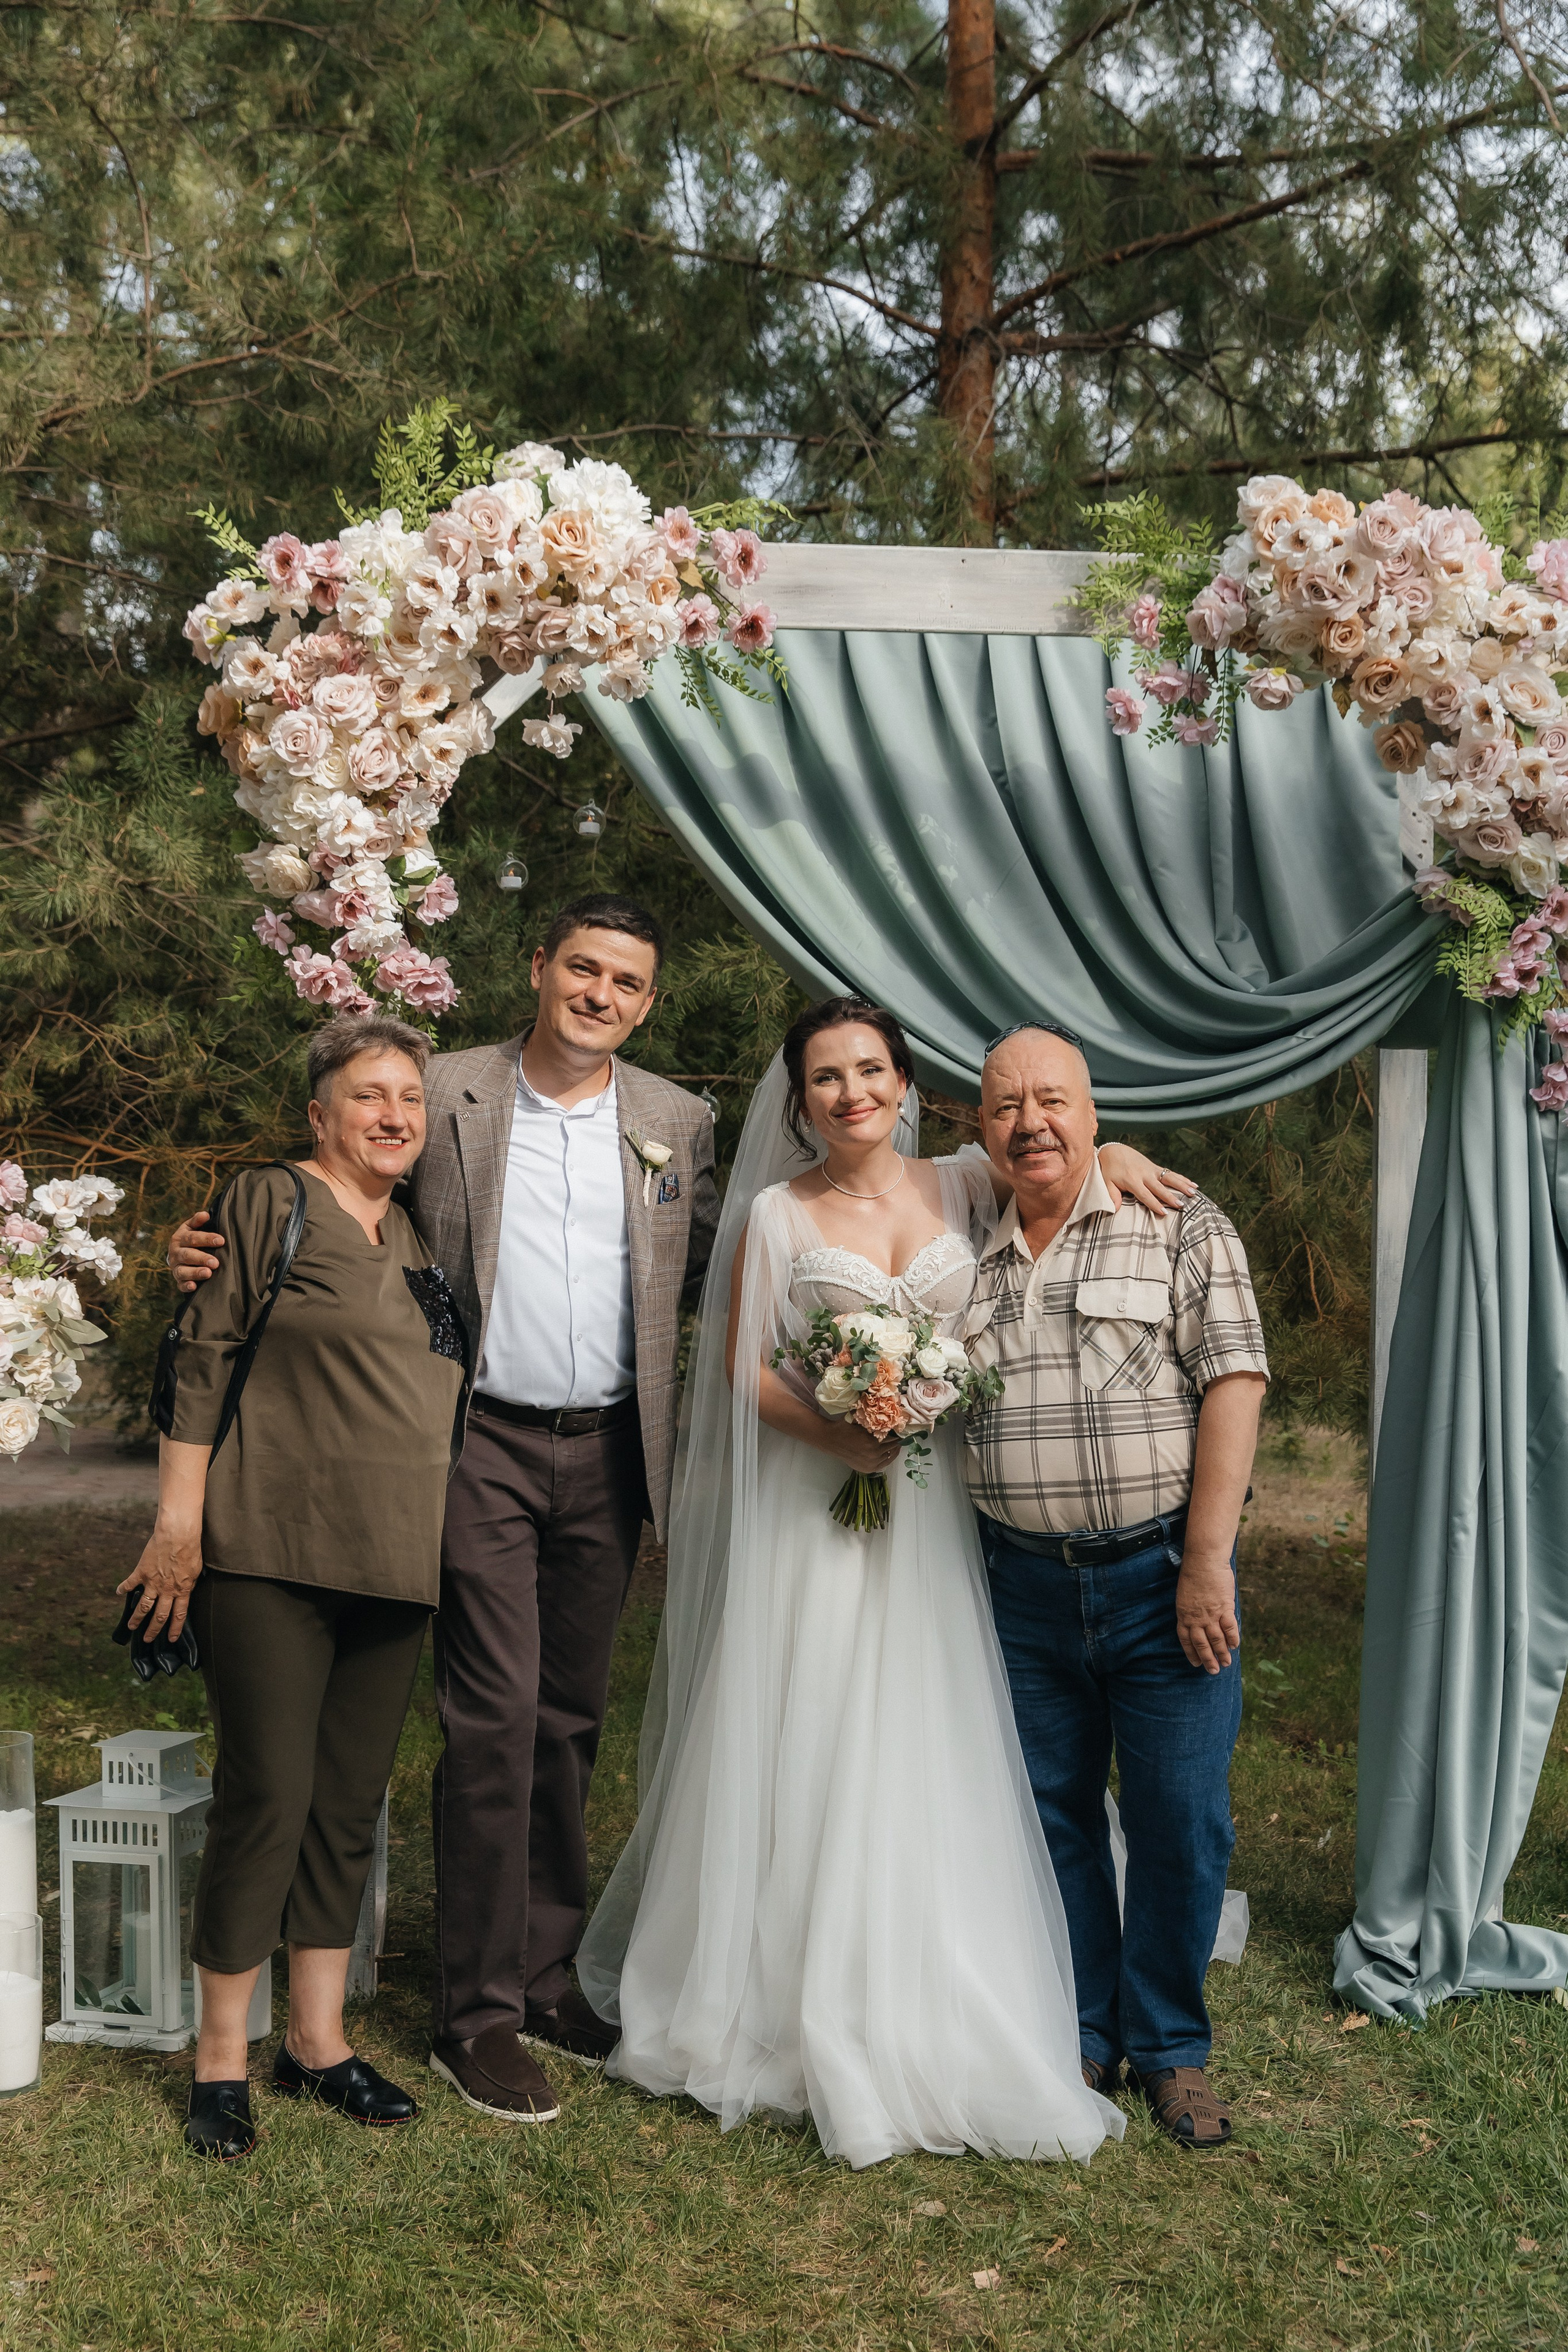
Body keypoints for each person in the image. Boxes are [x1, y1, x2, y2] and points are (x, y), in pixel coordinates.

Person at [575, 998, 1188, 2168]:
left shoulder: (963, 1181)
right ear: (798, 1102)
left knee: (937, 1733)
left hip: (944, 1520)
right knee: (814, 1725)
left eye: (870, 1069)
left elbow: (1053, 1155)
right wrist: (842, 1427)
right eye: (824, 1076)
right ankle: (783, 1987)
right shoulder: (775, 1212)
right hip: (825, 1509)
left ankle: (945, 1968)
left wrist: (1114, 1148)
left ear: (907, 1084)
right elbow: (746, 1376)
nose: (851, 1092)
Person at [168, 894, 720, 2125]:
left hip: (613, 1455)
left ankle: (543, 1977)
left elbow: (733, 1264)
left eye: (626, 982)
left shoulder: (675, 1122)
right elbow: (324, 1198)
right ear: (537, 970)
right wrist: (201, 1247)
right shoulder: (444, 1092)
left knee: (568, 1721)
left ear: (648, 1002)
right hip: (478, 1446)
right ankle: (474, 2014)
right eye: (581, 968)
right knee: (492, 1721)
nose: (599, 995)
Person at [126, 1014, 466, 2160]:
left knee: (345, 1804)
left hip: (395, 1562)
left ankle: (316, 2044)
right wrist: (180, 1527)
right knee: (267, 1794)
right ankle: (221, 2056)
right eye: (369, 1096)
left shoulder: (417, 1236)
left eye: (409, 1099)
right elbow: (201, 1354)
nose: (393, 1116)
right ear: (319, 1114)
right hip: (269, 1548)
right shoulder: (269, 1201)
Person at [965, 1021, 1269, 2150]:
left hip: (1160, 1580)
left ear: (1096, 1113)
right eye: (1005, 1105)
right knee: (1050, 1819)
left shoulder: (1178, 1221)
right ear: (979, 1129)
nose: (1031, 1122)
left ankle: (1172, 2046)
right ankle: (1083, 2028)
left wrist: (1205, 1562)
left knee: (1181, 1819)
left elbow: (1234, 1382)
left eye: (1053, 1100)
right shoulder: (966, 1245)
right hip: (1019, 1588)